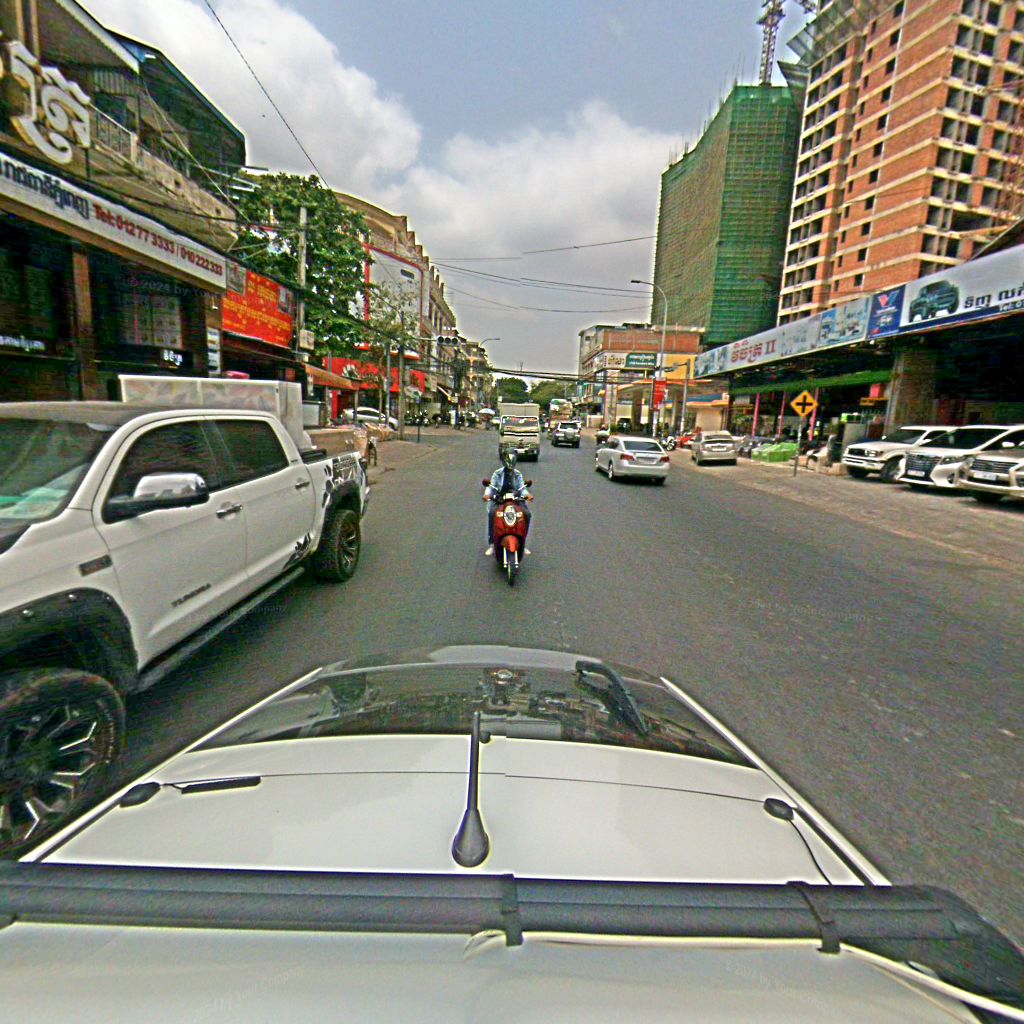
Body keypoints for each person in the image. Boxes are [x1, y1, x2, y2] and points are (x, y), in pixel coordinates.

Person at [484, 447, 532, 557]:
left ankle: (522, 542)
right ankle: (492, 543)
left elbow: (522, 488)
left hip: (515, 500)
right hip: (499, 499)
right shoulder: (498, 473)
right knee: (492, 514)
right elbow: (491, 486)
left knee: (527, 514)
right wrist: (487, 495)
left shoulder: (517, 474)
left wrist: (527, 495)